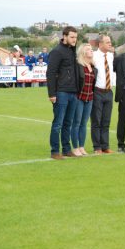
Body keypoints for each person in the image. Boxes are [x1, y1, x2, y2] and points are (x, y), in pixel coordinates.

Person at [46, 26, 79, 160]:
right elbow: (51, 73)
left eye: (76, 37)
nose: (74, 40)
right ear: (64, 36)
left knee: (68, 123)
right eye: (72, 37)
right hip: (61, 93)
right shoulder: (57, 52)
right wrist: (52, 94)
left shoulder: (72, 51)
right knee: (58, 123)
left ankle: (66, 149)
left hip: (73, 92)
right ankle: (55, 151)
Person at [91, 34, 116, 154]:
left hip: (109, 92)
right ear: (100, 44)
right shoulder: (94, 56)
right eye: (107, 42)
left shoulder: (111, 56)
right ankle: (97, 147)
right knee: (96, 121)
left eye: (110, 42)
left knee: (106, 121)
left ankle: (105, 146)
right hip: (97, 91)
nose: (110, 44)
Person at [71, 44, 97, 156]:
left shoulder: (93, 67)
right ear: (83, 52)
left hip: (89, 98)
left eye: (91, 49)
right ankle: (75, 147)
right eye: (88, 50)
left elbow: (93, 85)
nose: (91, 51)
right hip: (79, 98)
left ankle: (81, 147)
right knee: (76, 123)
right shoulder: (78, 66)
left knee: (84, 123)